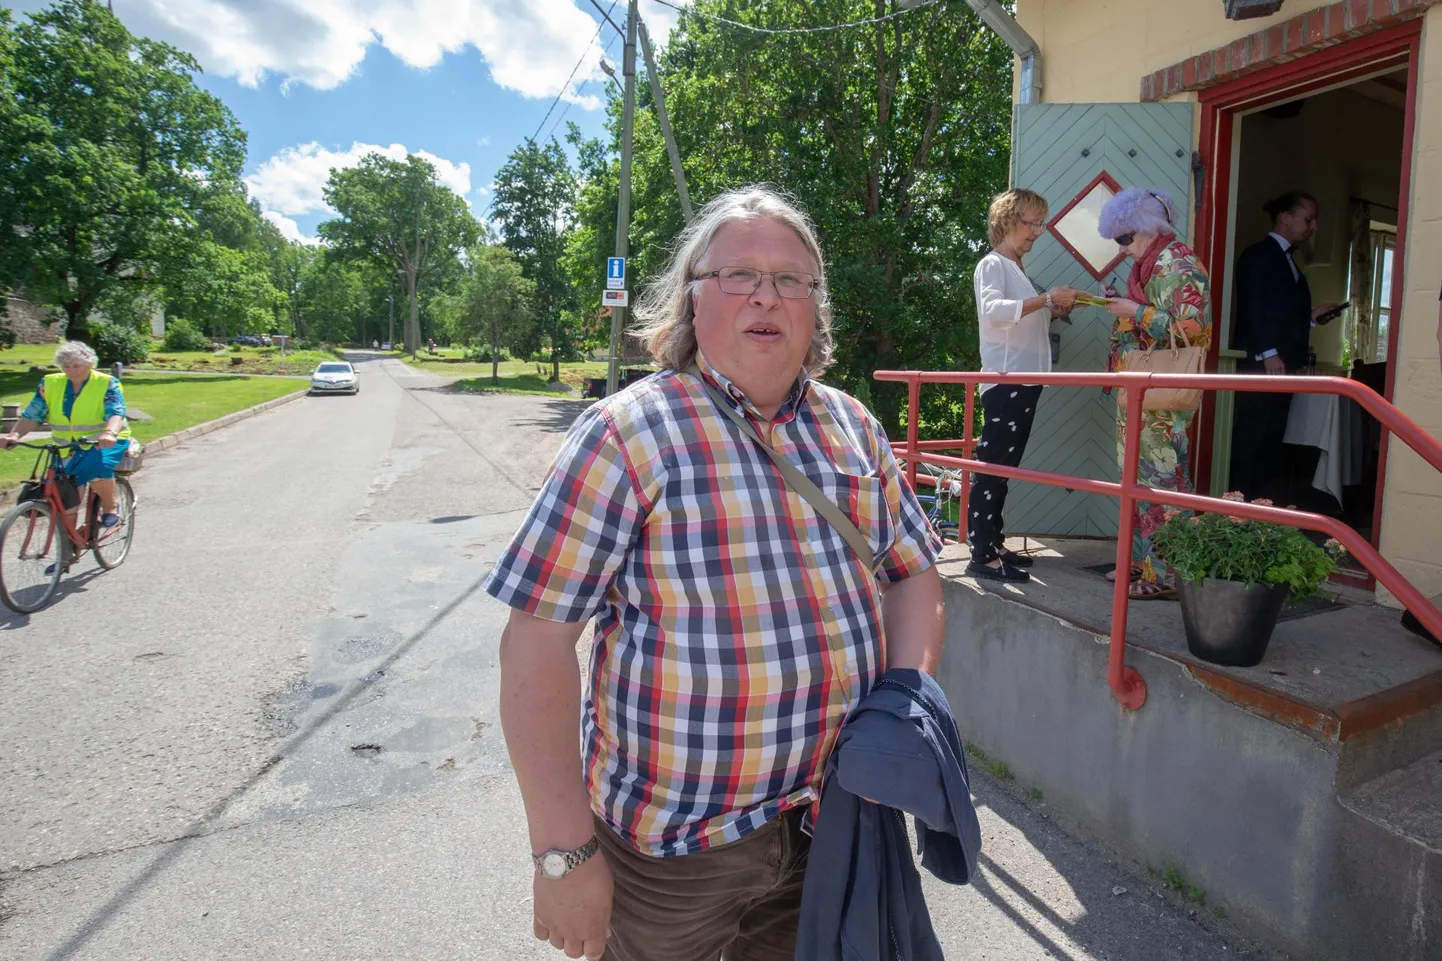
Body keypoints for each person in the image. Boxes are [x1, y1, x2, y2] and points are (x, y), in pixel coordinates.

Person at [485, 186, 944, 961]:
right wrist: (563, 854)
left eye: (791, 279)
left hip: (829, 821)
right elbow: (535, 644)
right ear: (693, 300)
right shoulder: (625, 435)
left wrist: (901, 706)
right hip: (670, 853)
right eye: (739, 275)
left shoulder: (854, 427)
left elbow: (914, 576)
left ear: (814, 308)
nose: (767, 295)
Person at [1096, 187, 1213, 600]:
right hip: (1142, 389)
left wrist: (1135, 311)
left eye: (1125, 239)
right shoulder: (1150, 264)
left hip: (1162, 393)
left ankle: (1165, 576)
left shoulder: (1176, 263)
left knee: (1161, 483)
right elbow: (1154, 320)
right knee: (1138, 479)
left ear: (1147, 228)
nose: (1122, 249)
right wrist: (1124, 306)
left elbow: (1196, 330)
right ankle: (1140, 563)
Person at [969, 188, 1078, 583]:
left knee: (1002, 467)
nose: (1037, 232)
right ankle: (981, 554)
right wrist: (1046, 298)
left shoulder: (1015, 269)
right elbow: (993, 312)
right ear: (1007, 221)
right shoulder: (993, 264)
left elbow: (1020, 319)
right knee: (993, 466)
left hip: (1021, 379)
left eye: (1040, 224)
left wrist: (1052, 306)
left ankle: (992, 542)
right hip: (1006, 380)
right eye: (1031, 223)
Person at [1228, 191, 1340, 500]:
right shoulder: (1257, 255)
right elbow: (1252, 307)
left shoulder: (1292, 262)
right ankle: (1236, 504)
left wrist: (1312, 317)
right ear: (1285, 217)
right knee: (1251, 436)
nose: (1313, 227)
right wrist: (1269, 353)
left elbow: (1280, 312)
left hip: (1283, 366)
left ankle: (1260, 506)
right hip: (1262, 365)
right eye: (1309, 219)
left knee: (1272, 438)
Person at [1, 341, 132, 531]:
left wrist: (109, 433)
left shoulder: (106, 383)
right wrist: (14, 435)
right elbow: (32, 414)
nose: (71, 370)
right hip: (66, 446)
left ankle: (111, 508)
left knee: (96, 467)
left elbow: (116, 412)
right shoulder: (50, 383)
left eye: (76, 365)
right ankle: (69, 549)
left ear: (89, 364)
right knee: (64, 495)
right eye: (66, 366)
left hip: (104, 440)